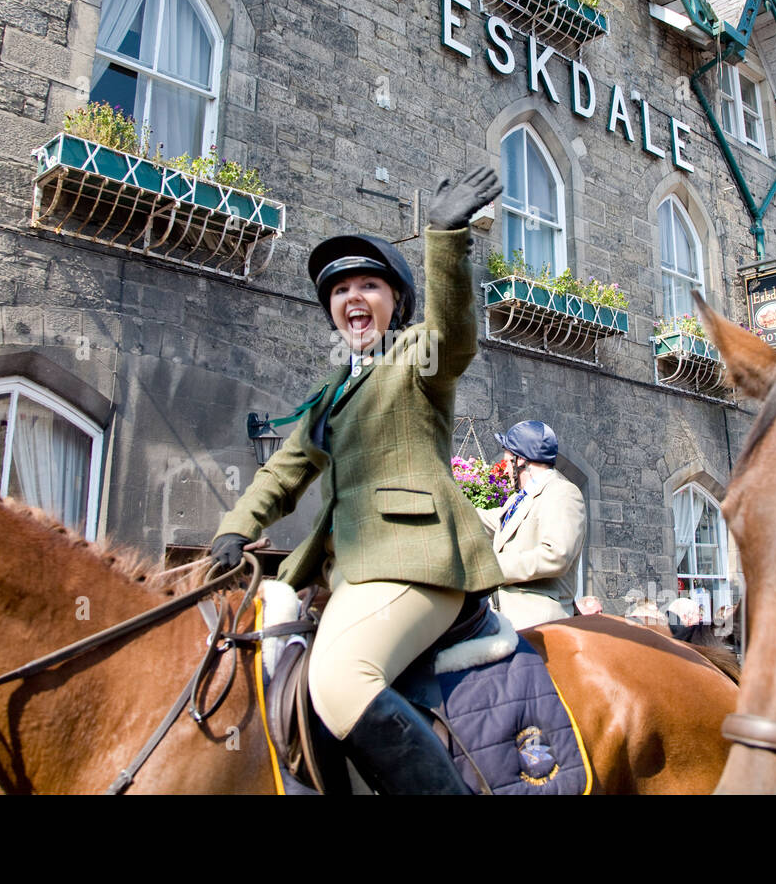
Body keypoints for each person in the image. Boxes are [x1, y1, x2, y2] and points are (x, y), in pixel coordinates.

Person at [210, 167, 504, 794]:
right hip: (346, 577)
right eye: (340, 291)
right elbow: (284, 471)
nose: (353, 298)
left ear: (396, 302)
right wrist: (233, 531)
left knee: (340, 680)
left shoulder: (416, 360)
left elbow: (454, 338)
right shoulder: (329, 397)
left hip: (414, 566)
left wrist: (445, 240)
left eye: (369, 285)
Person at [477, 420, 586, 629]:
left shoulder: (562, 492)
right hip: (501, 611)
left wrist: (489, 567)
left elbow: (556, 555)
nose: (503, 465)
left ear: (520, 460)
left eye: (506, 456)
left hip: (535, 617)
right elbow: (479, 520)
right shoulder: (518, 500)